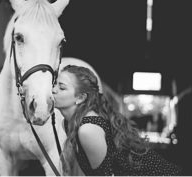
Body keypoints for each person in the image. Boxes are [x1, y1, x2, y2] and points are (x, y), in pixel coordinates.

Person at [52, 65, 182, 176]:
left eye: (62, 88)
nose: (53, 90)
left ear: (80, 98)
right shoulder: (71, 123)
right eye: (54, 84)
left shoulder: (87, 129)